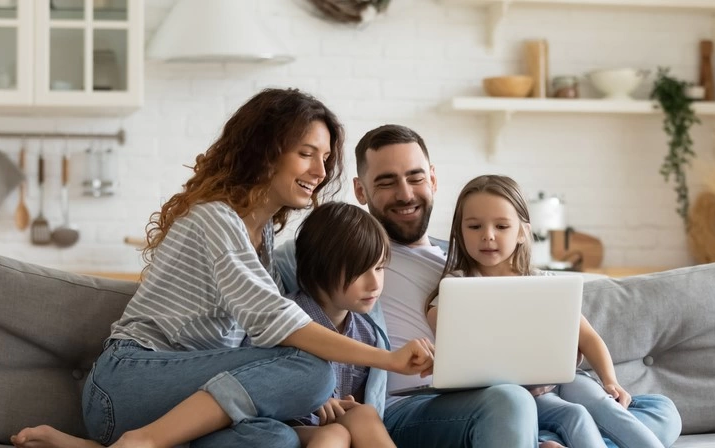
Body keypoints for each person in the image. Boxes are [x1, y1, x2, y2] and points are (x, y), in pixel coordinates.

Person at [10, 89, 433, 448]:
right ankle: (145, 441)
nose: (320, 172)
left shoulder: (262, 238)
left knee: (276, 440)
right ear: (265, 152)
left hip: (188, 400)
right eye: (306, 154)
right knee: (313, 370)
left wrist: (300, 395)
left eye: (324, 158)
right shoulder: (215, 219)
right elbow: (278, 323)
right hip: (127, 385)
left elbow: (260, 340)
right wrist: (389, 359)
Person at [278, 124, 681, 448]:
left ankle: (548, 438)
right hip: (413, 405)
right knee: (512, 399)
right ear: (361, 191)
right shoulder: (346, 253)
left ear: (433, 179)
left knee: (661, 409)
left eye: (415, 177)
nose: (405, 193)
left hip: (510, 395)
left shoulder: (469, 257)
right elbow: (279, 312)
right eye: (386, 182)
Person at [426, 174, 671, 448]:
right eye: (474, 226)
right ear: (459, 231)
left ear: (522, 232)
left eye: (502, 226)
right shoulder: (457, 287)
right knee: (574, 415)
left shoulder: (542, 282)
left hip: (563, 379)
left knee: (606, 405)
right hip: (514, 395)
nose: (488, 235)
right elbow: (444, 330)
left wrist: (610, 381)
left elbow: (588, 338)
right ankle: (549, 439)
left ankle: (552, 440)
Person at [283, 201, 397, 448]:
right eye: (360, 271)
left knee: (363, 414)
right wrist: (312, 398)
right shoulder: (284, 317)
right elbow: (255, 381)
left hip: (334, 428)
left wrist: (347, 405)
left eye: (379, 268)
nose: (375, 284)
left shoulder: (366, 333)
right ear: (320, 269)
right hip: (284, 427)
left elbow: (356, 402)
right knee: (335, 434)